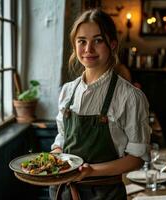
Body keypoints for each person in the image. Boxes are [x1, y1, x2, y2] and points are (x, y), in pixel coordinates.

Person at [50, 9, 151, 200]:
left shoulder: (130, 97)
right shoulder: (67, 91)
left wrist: (91, 171)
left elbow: (136, 159)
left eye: (98, 40)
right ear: (74, 45)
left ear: (112, 44)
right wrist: (55, 156)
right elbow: (62, 138)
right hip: (63, 192)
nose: (88, 49)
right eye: (82, 41)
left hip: (105, 194)